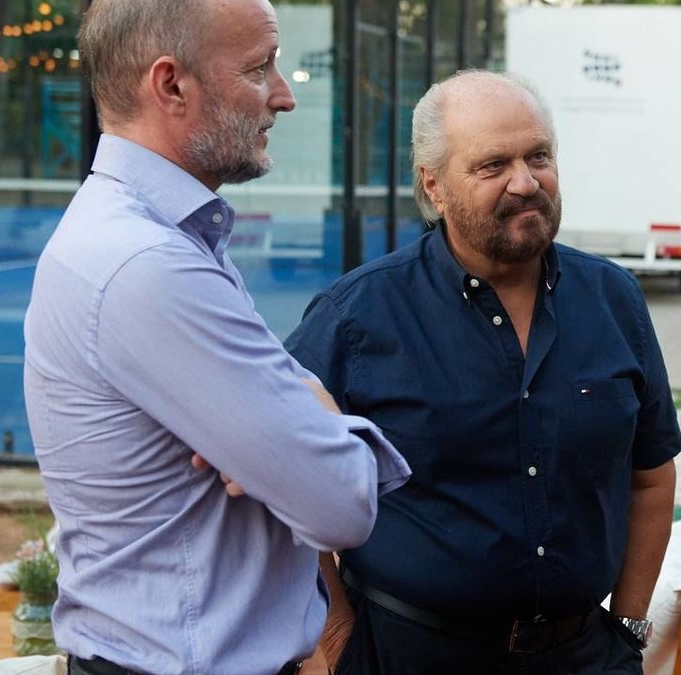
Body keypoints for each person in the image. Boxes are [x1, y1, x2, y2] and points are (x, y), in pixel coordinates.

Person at [22, 0, 410, 673]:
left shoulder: (153, 238)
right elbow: (340, 502)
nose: (283, 96)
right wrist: (316, 417)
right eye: (259, 69)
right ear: (171, 85)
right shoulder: (147, 263)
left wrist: (288, 419)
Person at [284, 70, 681, 675]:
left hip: (583, 657)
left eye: (538, 156)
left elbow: (651, 478)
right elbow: (283, 487)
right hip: (407, 657)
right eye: (493, 165)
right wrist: (336, 640)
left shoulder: (613, 299)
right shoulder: (357, 316)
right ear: (434, 184)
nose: (526, 182)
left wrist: (626, 632)